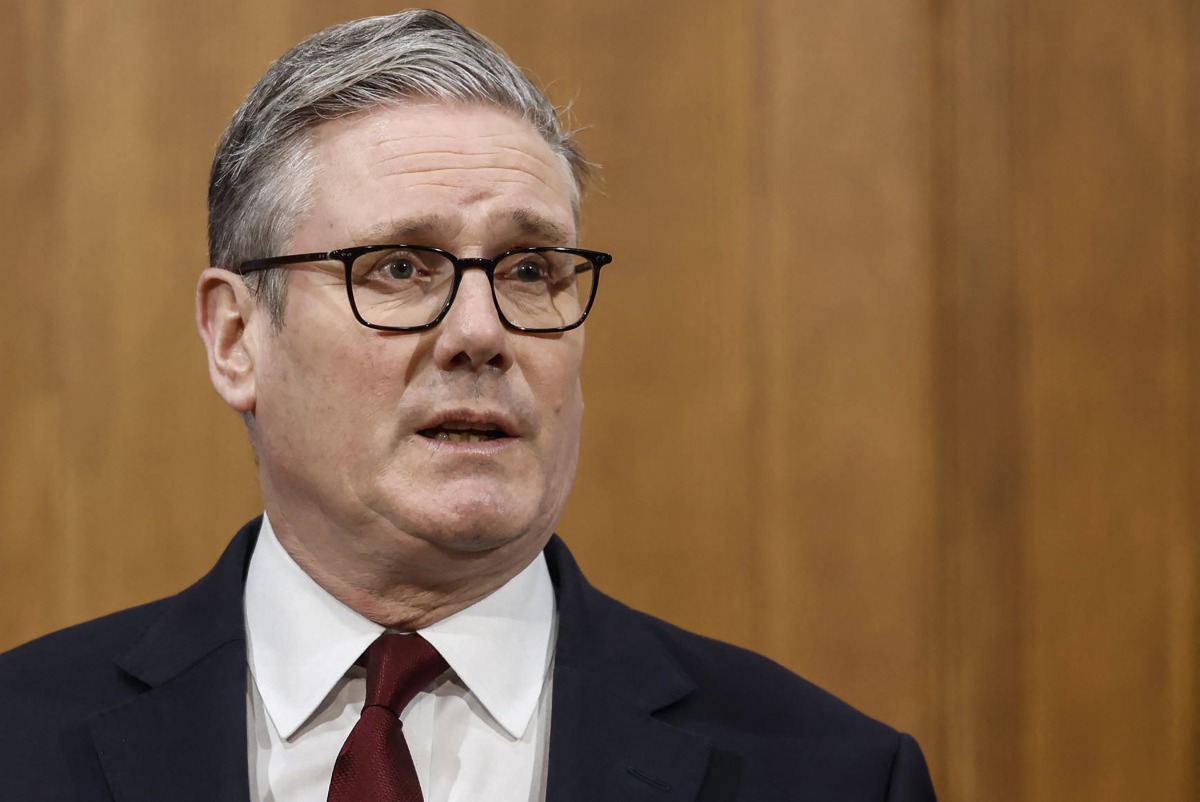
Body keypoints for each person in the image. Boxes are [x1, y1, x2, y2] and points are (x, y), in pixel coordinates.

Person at [0, 9, 936, 801]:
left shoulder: (832, 775)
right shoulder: (22, 746)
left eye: (531, 270)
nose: (481, 332)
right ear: (237, 338)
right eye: (400, 268)